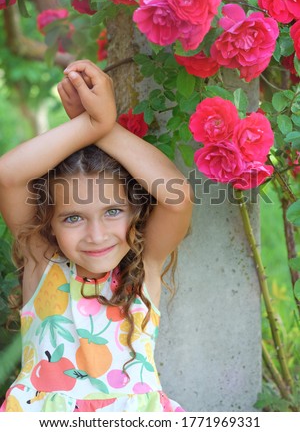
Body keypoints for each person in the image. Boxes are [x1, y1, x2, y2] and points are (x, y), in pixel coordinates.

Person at [0, 60, 193, 412]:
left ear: (135, 211)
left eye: (113, 212)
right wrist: (92, 124)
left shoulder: (143, 265)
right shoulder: (44, 263)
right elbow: (8, 175)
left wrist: (103, 127)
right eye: (73, 217)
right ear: (49, 223)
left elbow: (177, 197)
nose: (96, 234)